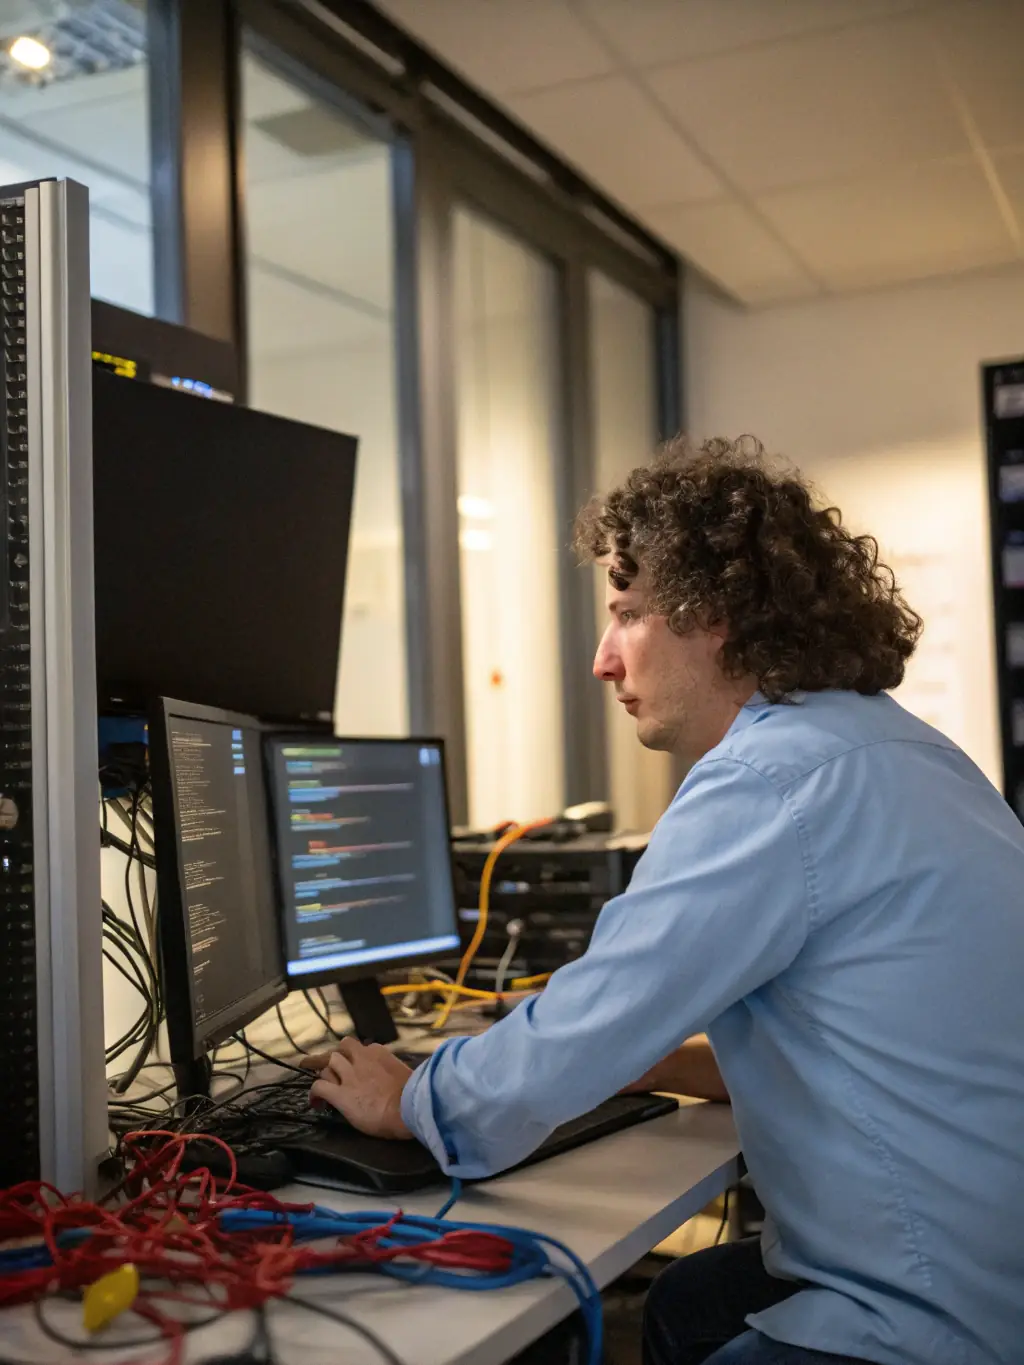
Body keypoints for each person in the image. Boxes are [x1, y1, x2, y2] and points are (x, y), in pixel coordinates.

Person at [306, 437, 1024, 1365]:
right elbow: (882, 1040)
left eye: (627, 613)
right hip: (994, 1251)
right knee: (687, 1298)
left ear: (712, 613)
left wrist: (413, 1101)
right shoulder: (905, 750)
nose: (604, 659)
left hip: (937, 1313)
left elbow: (580, 1028)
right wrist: (644, 1063)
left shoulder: (766, 779)